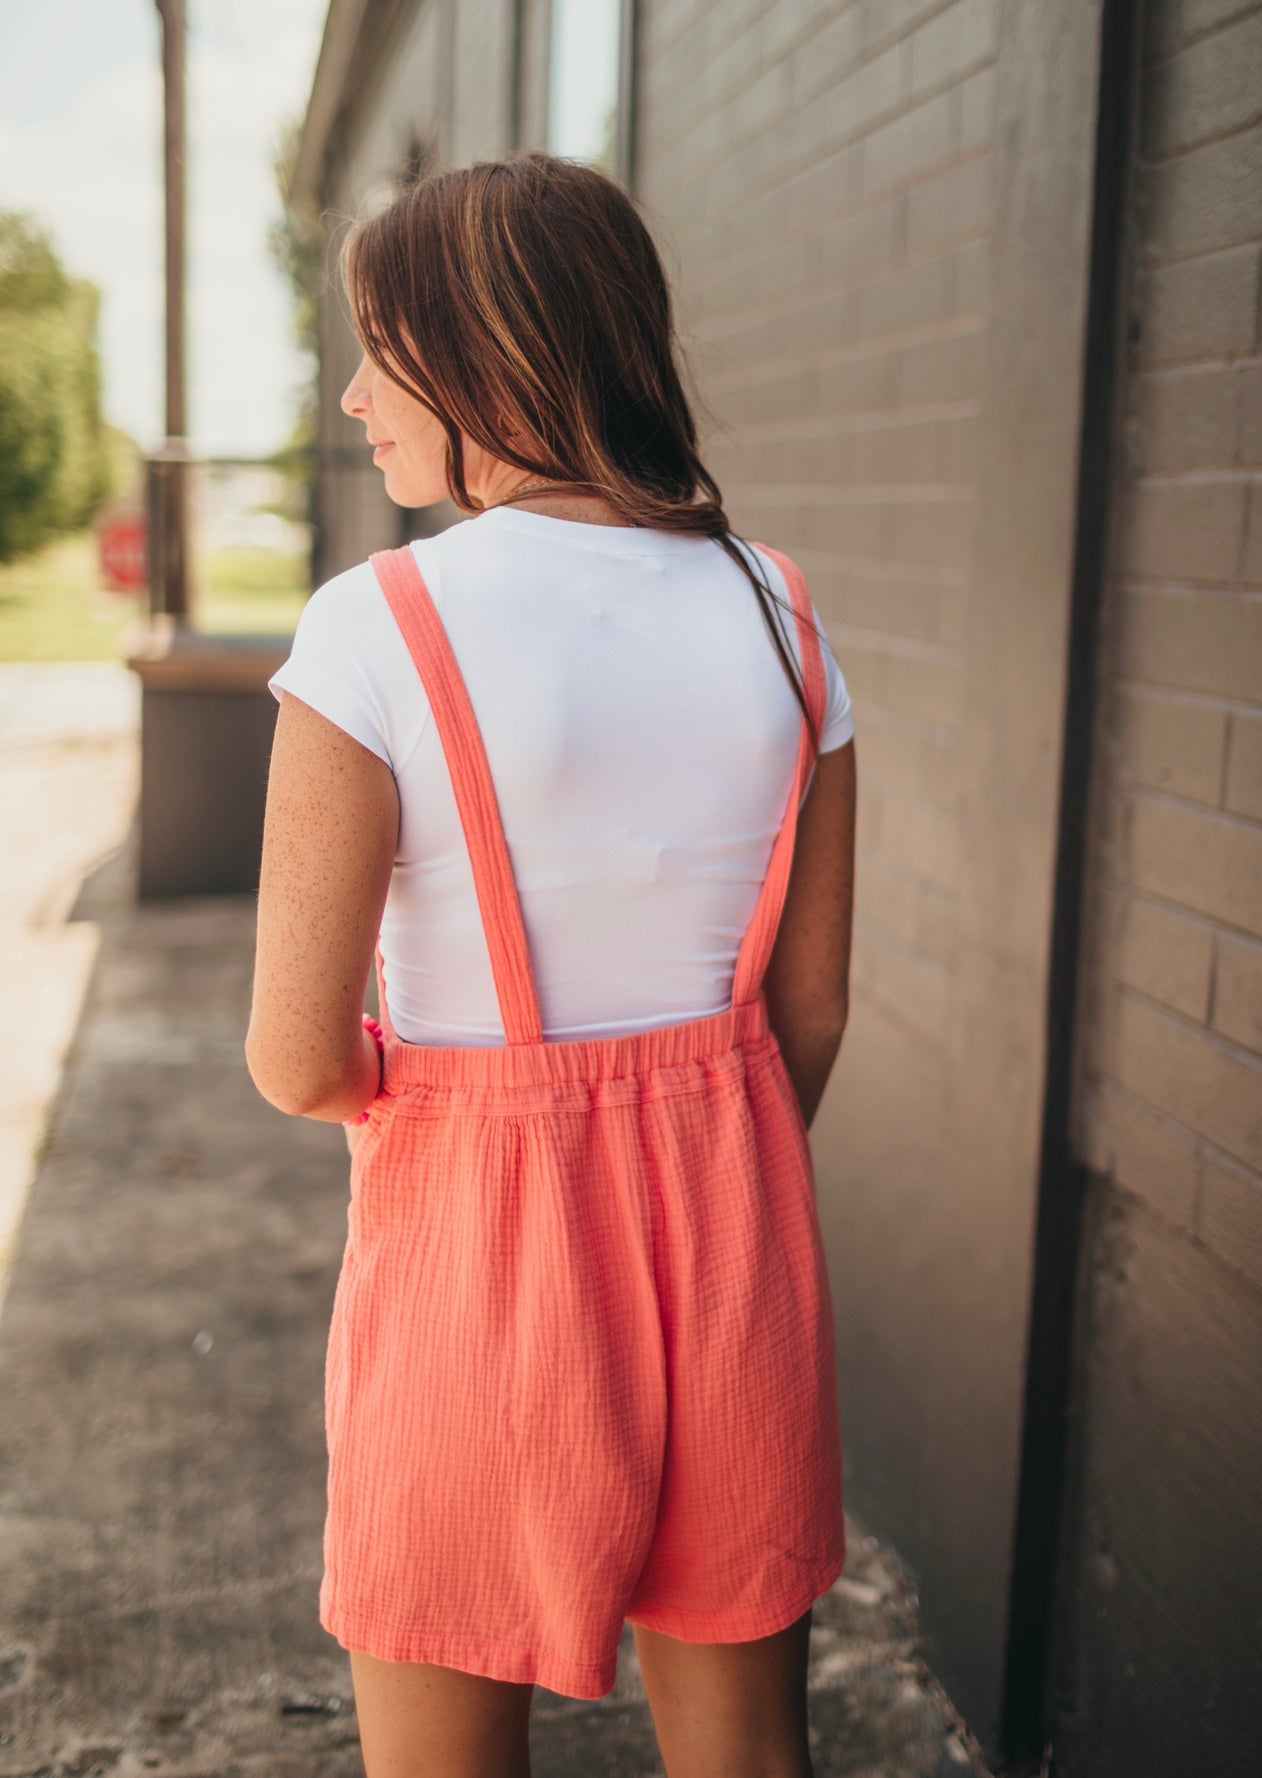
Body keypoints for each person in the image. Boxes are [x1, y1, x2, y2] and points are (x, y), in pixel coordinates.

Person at [245, 148, 857, 1778]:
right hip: (736, 1227)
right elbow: (807, 1010)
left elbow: (296, 1056)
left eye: (385, 346)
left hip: (476, 1245)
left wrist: (476, 1116)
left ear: (491, 357)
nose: (361, 394)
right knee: (747, 1756)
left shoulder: (376, 625)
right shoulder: (780, 614)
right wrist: (690, 1131)